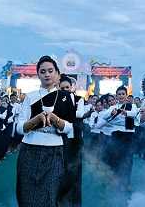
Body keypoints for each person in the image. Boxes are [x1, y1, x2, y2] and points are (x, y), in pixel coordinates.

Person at [15, 55, 75, 207]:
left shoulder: (66, 97)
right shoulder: (30, 96)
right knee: (27, 194)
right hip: (29, 149)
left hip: (55, 151)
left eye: (50, 71)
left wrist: (55, 119)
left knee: (50, 194)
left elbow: (69, 128)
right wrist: (36, 120)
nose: (47, 74)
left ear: (57, 73)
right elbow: (19, 128)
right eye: (43, 71)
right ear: (38, 75)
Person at [95, 85, 138, 191]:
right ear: (116, 96)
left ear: (126, 95)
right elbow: (103, 117)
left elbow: (135, 114)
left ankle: (127, 183)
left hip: (128, 135)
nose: (121, 96)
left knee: (127, 160)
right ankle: (114, 181)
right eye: (119, 94)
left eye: (123, 94)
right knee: (115, 159)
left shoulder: (131, 106)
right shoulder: (112, 107)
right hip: (115, 136)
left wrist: (125, 112)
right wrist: (111, 113)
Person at [58, 75, 88, 207]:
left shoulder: (79, 100)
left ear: (72, 87)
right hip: (60, 142)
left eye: (67, 87)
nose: (65, 89)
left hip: (75, 143)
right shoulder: (56, 100)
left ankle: (75, 203)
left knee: (74, 174)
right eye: (62, 87)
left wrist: (63, 111)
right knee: (59, 173)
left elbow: (80, 114)